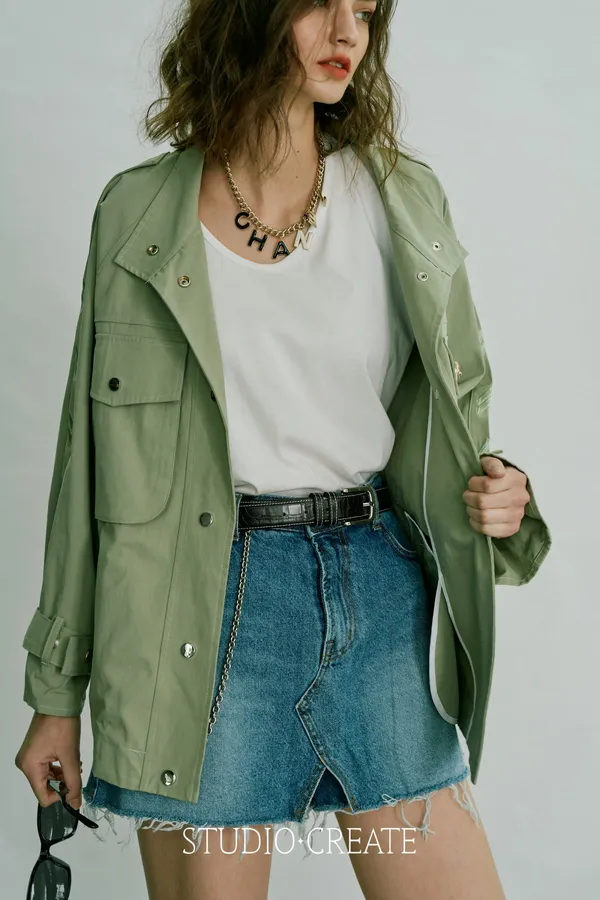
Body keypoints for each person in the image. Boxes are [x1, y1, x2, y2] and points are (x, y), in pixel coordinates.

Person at [15, 1, 551, 898]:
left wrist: (504, 495)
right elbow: (85, 471)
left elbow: (457, 422)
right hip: (203, 618)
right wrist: (55, 696)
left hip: (380, 598)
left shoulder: (399, 198)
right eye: (318, 5)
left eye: (365, 11)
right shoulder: (139, 212)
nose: (348, 34)